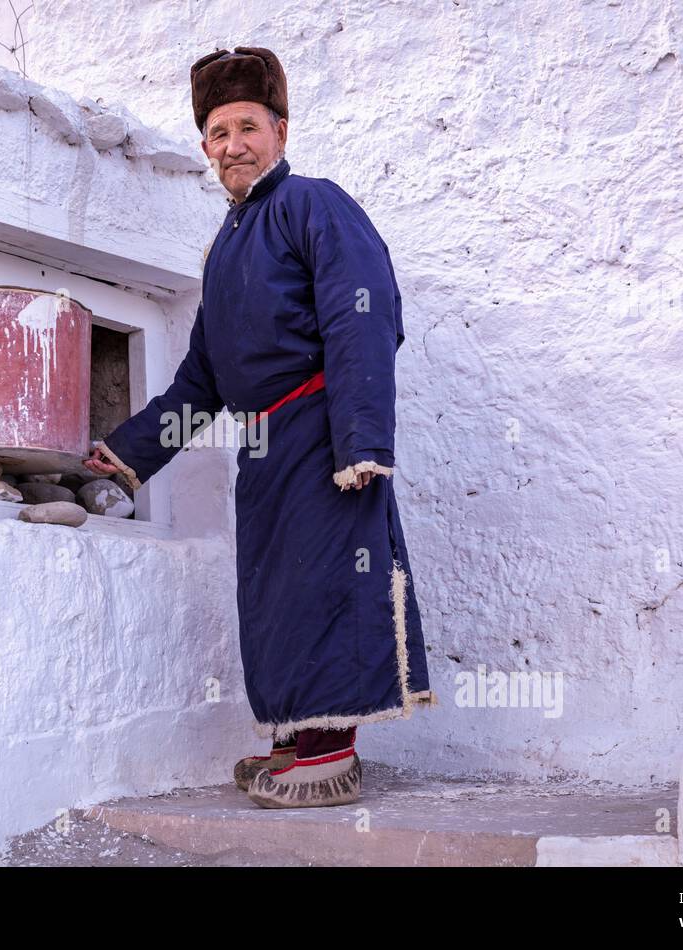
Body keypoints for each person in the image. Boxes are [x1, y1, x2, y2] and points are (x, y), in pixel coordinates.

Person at [83, 46, 433, 809]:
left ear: (280, 128)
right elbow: (203, 378)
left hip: (320, 429)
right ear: (205, 146)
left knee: (327, 582)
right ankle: (295, 737)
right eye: (216, 132)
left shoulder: (316, 203)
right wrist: (127, 450)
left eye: (247, 126)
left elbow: (361, 313)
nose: (232, 144)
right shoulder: (224, 249)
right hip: (264, 445)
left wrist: (361, 440)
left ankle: (332, 750)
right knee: (273, 594)